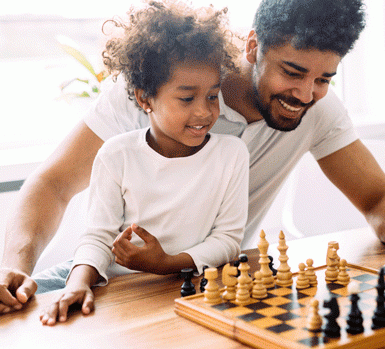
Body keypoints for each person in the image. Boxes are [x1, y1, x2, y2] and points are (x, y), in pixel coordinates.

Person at [1, 0, 385, 314]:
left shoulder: (317, 109)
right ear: (252, 47)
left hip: (202, 288)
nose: (305, 95)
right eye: (292, 72)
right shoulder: (162, 84)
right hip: (111, 282)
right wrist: (12, 269)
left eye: (324, 79)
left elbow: (379, 198)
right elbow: (53, 185)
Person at [35, 0, 249, 324]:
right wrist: (78, 284)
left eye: (212, 95)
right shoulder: (116, 155)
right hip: (110, 281)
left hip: (177, 286)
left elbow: (228, 240)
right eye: (187, 98)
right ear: (144, 99)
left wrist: (167, 262)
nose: (205, 112)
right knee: (23, 298)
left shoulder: (231, 154)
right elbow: (97, 238)